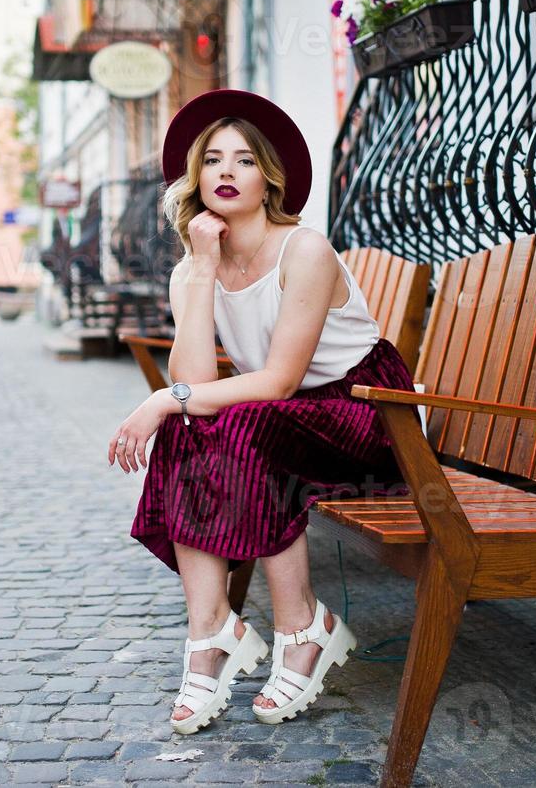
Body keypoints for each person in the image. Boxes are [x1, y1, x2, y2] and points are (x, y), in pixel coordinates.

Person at [108, 89, 414, 736]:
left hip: (368, 415)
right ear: (194, 178)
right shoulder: (193, 269)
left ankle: (302, 626)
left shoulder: (303, 250)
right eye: (211, 160)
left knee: (234, 420)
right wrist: (200, 271)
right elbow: (196, 382)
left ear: (267, 177)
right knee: (198, 425)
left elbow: (275, 383)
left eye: (243, 161)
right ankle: (211, 628)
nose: (225, 172)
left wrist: (163, 400)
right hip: (284, 416)